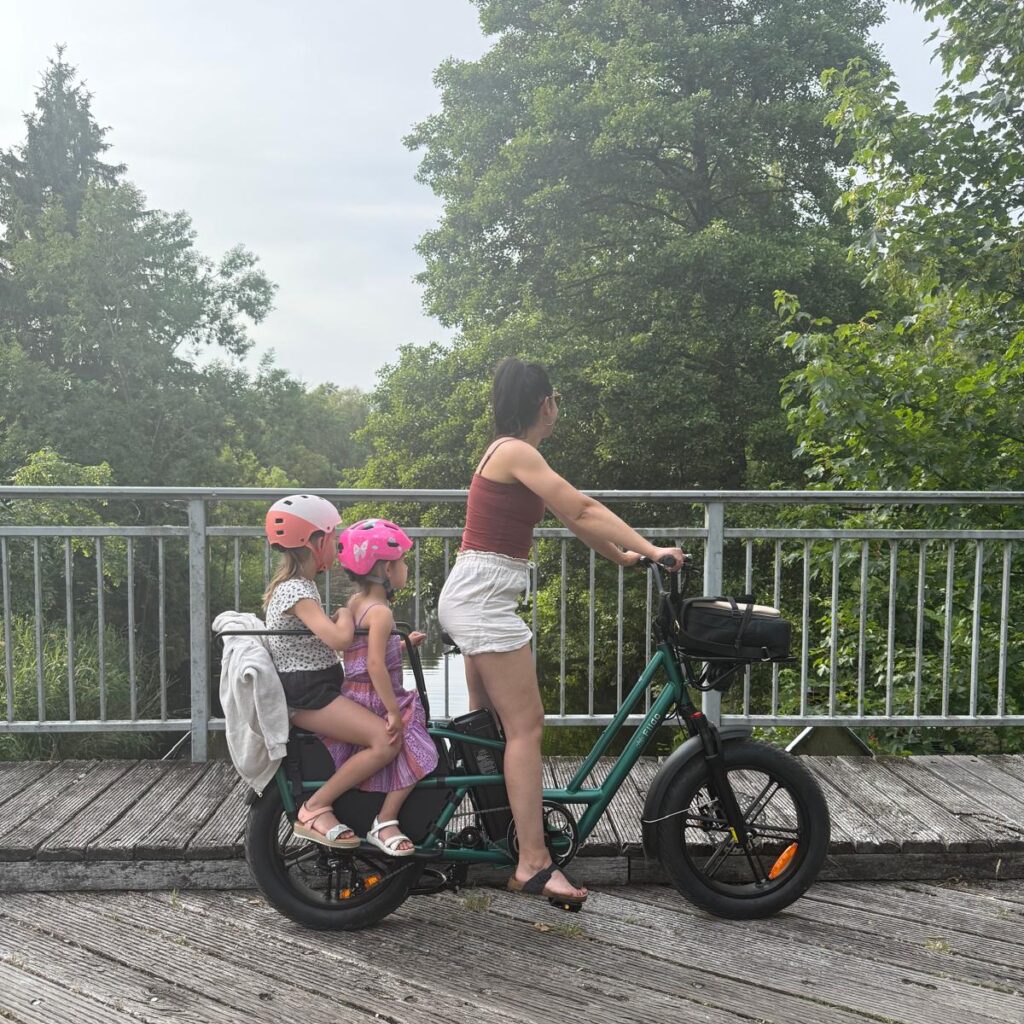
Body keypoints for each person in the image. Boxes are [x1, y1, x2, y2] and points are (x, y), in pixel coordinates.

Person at [438, 358, 686, 907]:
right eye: (557, 401)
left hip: (477, 594)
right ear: (545, 402)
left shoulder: (506, 452)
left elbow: (574, 519)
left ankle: (495, 835)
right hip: (483, 600)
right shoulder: (517, 450)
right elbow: (582, 504)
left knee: (490, 731)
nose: (557, 410)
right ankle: (532, 862)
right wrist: (653, 550)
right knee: (525, 728)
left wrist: (620, 556)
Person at [263, 494, 402, 849]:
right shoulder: (296, 590)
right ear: (315, 542)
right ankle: (315, 807)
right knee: (385, 740)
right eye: (333, 538)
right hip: (310, 695)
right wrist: (343, 612)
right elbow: (340, 639)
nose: (338, 548)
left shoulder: (300, 586)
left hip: (317, 689)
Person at [325, 518, 439, 857]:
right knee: (420, 748)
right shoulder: (382, 613)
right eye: (402, 562)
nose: (405, 568)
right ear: (387, 570)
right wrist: (393, 711)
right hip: (376, 699)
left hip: (355, 694)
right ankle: (386, 819)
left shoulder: (356, 605)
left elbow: (362, 658)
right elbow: (375, 666)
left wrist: (402, 647)